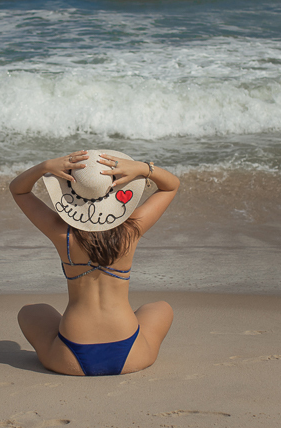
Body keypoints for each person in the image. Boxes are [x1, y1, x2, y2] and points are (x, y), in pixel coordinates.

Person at [10, 149, 180, 376]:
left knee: (30, 311)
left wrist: (45, 167)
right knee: (161, 308)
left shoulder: (63, 233)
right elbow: (171, 185)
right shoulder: (131, 230)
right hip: (130, 353)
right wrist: (142, 168)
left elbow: (18, 190)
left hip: (69, 356)